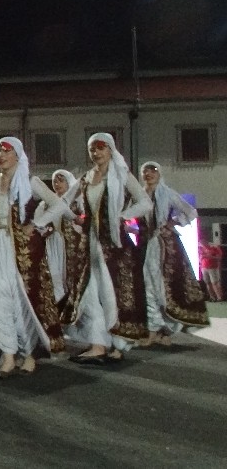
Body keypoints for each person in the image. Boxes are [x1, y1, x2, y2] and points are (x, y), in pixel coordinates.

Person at [0, 137, 68, 377]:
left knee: (24, 300)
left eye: (6, 151)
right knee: (0, 300)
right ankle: (8, 355)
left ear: (18, 155)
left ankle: (29, 353)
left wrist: (36, 224)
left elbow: (59, 205)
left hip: (26, 250)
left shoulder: (30, 182)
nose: (0, 155)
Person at [60, 133, 152, 364]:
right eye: (92, 149)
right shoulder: (86, 178)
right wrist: (74, 217)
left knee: (112, 294)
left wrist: (122, 216)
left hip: (115, 245)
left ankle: (117, 346)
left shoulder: (121, 175)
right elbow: (62, 202)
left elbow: (145, 202)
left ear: (111, 149)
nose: (96, 153)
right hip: (89, 243)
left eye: (101, 148)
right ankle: (98, 345)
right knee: (89, 294)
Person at [137, 161, 209, 345]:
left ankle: (163, 330)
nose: (149, 174)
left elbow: (190, 212)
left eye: (153, 170)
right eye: (145, 171)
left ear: (159, 174)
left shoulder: (167, 193)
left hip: (165, 247)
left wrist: (173, 222)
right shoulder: (139, 196)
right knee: (148, 286)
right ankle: (156, 329)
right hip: (145, 245)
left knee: (164, 287)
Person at [36, 169, 84, 304]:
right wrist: (45, 230)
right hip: (52, 244)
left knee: (71, 274)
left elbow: (84, 220)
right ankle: (59, 304)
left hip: (72, 243)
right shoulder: (46, 203)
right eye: (54, 181)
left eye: (61, 181)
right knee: (54, 274)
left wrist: (79, 222)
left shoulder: (77, 202)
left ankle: (72, 304)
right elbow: (38, 222)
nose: (57, 184)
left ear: (68, 183)